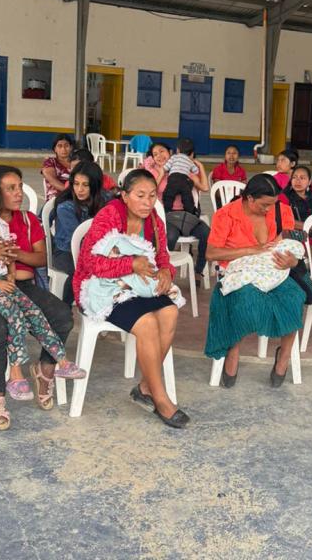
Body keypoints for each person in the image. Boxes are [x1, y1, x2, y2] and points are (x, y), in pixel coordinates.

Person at [0, 177, 86, 430]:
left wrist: (11, 275)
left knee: (35, 312)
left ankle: (61, 362)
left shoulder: (3, 226)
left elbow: (10, 256)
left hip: (5, 282)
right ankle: (14, 375)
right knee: (12, 317)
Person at [72, 169, 190, 429]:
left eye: (152, 196)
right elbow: (91, 264)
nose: (147, 202)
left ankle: (146, 387)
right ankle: (161, 399)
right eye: (140, 196)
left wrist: (166, 272)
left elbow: (162, 257)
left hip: (139, 284)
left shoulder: (154, 220)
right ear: (125, 196)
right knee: (147, 323)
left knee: (170, 312)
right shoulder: (110, 215)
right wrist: (131, 264)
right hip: (102, 286)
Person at [205, 174, 308, 388]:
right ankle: (233, 348)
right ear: (250, 198)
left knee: (295, 296)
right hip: (239, 272)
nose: (269, 209)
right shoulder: (226, 215)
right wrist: (251, 250)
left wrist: (292, 261)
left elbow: (291, 247)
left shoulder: (281, 211)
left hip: (274, 271)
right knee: (246, 298)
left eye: (272, 204)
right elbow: (211, 253)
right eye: (264, 205)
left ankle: (284, 355)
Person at [141, 141, 210, 285]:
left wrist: (201, 166)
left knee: (207, 234)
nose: (159, 156)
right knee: (170, 236)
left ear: (171, 153)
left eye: (162, 151)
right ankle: (162, 272)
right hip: (168, 217)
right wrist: (162, 173)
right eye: (155, 154)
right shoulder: (154, 173)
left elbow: (204, 187)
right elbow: (150, 192)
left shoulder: (185, 170)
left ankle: (198, 271)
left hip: (188, 216)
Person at [53, 160, 109, 304]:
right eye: (76, 184)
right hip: (65, 252)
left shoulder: (105, 199)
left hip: (98, 249)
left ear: (95, 186)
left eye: (85, 185)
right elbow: (80, 240)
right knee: (80, 270)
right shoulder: (65, 207)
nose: (80, 189)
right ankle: (65, 308)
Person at [161, 140, 200, 214]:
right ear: (191, 153)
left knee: (168, 196)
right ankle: (190, 212)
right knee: (187, 197)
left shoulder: (174, 157)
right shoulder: (189, 160)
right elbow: (196, 171)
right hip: (184, 180)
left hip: (173, 179)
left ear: (178, 150)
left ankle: (167, 211)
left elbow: (166, 167)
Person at [41, 133, 75, 200]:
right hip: (55, 199)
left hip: (75, 197)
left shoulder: (76, 163)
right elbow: (52, 180)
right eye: (60, 146)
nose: (63, 149)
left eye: (66, 146)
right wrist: (71, 193)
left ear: (71, 148)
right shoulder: (50, 162)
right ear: (55, 149)